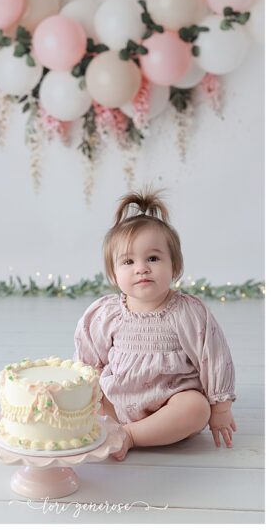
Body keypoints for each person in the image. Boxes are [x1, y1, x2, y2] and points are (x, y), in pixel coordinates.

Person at [74, 190, 236, 461]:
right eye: (128, 261)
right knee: (87, 397)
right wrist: (86, 392)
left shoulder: (188, 312)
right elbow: (89, 360)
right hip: (119, 400)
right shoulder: (106, 313)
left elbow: (214, 358)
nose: (141, 268)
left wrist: (220, 409)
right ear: (113, 274)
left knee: (196, 408)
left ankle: (131, 435)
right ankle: (121, 427)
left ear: (175, 266)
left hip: (170, 403)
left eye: (153, 258)